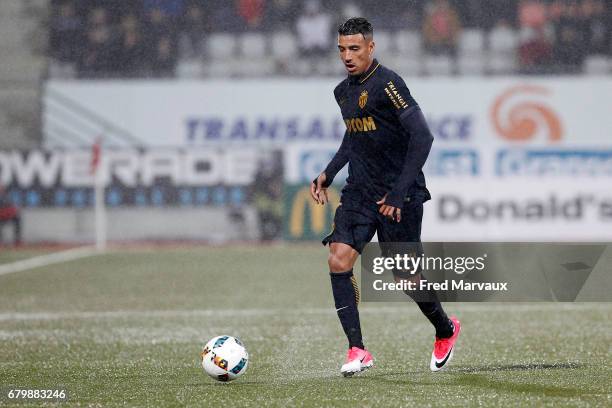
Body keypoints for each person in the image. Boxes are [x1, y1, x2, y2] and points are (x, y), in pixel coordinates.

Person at [310, 17, 460, 377]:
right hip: (360, 193)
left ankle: (445, 328)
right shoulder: (342, 92)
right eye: (342, 49)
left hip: (399, 198)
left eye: (355, 48)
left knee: (406, 279)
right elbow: (353, 138)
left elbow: (423, 137)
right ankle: (358, 349)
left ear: (371, 47)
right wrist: (328, 173)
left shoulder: (388, 84)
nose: (347, 56)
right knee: (339, 259)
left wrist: (398, 191)